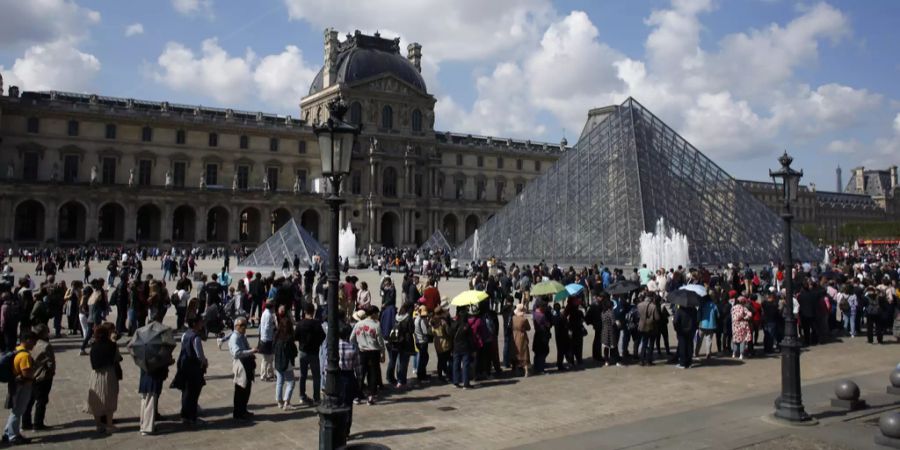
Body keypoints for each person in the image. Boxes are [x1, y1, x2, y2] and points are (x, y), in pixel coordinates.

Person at [133, 313, 174, 436]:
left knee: (144, 401)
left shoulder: (141, 347)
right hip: (153, 378)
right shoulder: (156, 347)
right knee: (150, 403)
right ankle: (147, 427)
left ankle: (143, 423)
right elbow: (159, 362)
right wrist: (169, 361)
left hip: (144, 378)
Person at [86, 323, 121, 434]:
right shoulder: (112, 345)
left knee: (97, 399)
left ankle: (98, 425)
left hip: (96, 375)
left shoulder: (93, 346)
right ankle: (109, 424)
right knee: (110, 398)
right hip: (109, 373)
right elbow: (117, 359)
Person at [4, 331, 37, 445]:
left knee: (15, 410)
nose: (34, 344)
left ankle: (8, 432)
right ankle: (13, 436)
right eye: (33, 341)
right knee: (18, 411)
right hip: (23, 386)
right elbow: (26, 374)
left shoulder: (17, 349)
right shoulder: (25, 356)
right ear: (27, 340)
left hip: (14, 383)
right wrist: (34, 373)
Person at [23, 325, 54, 432]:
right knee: (41, 400)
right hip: (42, 377)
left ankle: (25, 423)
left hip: (31, 375)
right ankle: (38, 424)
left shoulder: (30, 344)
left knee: (29, 400)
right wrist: (51, 373)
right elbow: (50, 363)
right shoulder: (46, 346)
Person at [176, 316, 207, 425]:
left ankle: (185, 415)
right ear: (195, 324)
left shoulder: (185, 335)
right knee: (193, 393)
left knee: (186, 392)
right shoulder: (196, 338)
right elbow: (200, 356)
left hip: (185, 366)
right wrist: (204, 362)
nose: (202, 324)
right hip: (194, 368)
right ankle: (192, 417)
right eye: (200, 322)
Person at [350, 309, 385, 404]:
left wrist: (359, 344)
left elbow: (351, 338)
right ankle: (370, 397)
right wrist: (382, 353)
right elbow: (380, 342)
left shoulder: (358, 324)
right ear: (372, 314)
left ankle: (357, 396)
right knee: (372, 374)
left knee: (361, 374)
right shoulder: (376, 325)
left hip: (362, 351)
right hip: (374, 352)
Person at [295, 303, 324, 405]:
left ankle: (302, 396)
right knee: (316, 376)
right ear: (313, 312)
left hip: (303, 351)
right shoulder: (317, 324)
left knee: (303, 375)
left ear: (304, 312)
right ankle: (316, 398)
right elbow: (323, 336)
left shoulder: (300, 324)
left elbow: (296, 336)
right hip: (314, 352)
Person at [229, 317, 257, 420]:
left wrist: (251, 352)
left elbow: (246, 348)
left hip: (247, 365)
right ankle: (238, 413)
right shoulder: (235, 338)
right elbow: (237, 353)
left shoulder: (242, 336)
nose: (245, 327)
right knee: (240, 390)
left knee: (247, 389)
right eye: (242, 325)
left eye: (245, 325)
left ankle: (243, 410)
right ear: (236, 326)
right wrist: (250, 352)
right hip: (240, 366)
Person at [273, 306, 298, 410]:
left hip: (278, 361)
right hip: (286, 362)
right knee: (291, 382)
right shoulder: (289, 339)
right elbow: (294, 353)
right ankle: (286, 401)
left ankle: (279, 401)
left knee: (279, 381)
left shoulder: (277, 336)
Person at [450, 309, 475, 389]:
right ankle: (466, 383)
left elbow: (451, 335)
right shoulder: (467, 326)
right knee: (465, 366)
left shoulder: (454, 325)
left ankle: (455, 381)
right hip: (465, 348)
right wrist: (473, 349)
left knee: (456, 364)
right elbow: (470, 339)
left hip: (456, 348)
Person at [431, 304, 452, 382]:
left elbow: (431, 332)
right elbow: (448, 332)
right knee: (448, 359)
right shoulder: (443, 322)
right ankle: (448, 373)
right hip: (445, 343)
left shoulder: (432, 321)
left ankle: (440, 375)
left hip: (437, 343)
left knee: (440, 360)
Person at [673, 304, 697, 369]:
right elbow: (696, 320)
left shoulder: (680, 310)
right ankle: (689, 362)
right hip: (691, 330)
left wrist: (676, 329)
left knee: (682, 346)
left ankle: (683, 363)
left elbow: (675, 321)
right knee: (689, 345)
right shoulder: (694, 310)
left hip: (681, 331)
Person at [511, 304, 531, 376]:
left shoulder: (513, 318)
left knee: (516, 352)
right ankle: (526, 371)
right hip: (522, 335)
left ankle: (516, 370)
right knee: (524, 352)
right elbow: (528, 328)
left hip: (515, 335)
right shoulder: (524, 319)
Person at [258, 299, 276, 382]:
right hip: (267, 339)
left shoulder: (265, 313)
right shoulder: (269, 315)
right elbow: (267, 328)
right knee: (266, 359)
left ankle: (270, 373)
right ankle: (263, 375)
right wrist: (274, 328)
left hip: (265, 338)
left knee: (269, 358)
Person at [696, 295, 718, 360]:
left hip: (702, 325)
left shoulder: (702, 305)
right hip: (711, 325)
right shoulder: (714, 305)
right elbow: (717, 314)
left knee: (699, 340)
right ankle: (708, 353)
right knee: (709, 340)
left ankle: (696, 353)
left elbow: (699, 315)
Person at [413, 305, 432, 382]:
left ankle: (422, 374)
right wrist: (428, 326)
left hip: (418, 341)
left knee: (422, 358)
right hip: (422, 342)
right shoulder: (421, 321)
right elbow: (425, 332)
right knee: (424, 359)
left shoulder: (416, 320)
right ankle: (421, 375)